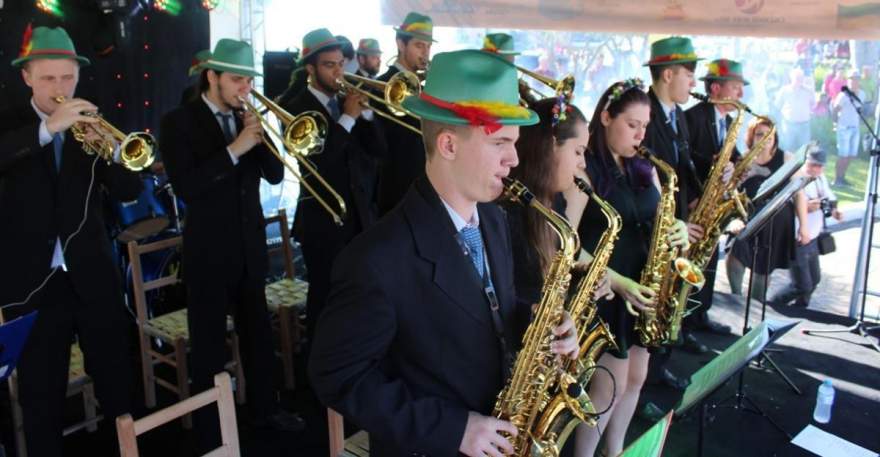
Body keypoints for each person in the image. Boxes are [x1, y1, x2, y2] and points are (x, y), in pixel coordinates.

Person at [309, 49, 579, 456]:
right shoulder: (375, 259)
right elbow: (336, 376)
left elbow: (489, 306)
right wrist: (455, 429)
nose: (515, 159)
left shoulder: (494, 218)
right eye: (501, 143)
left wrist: (540, 324)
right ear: (449, 144)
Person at [0, 25, 140, 455]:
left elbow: (127, 193)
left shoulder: (91, 120)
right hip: (32, 283)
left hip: (93, 273)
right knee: (42, 395)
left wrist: (117, 154)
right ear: (26, 77)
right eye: (48, 79)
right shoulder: (9, 122)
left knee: (118, 379)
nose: (60, 88)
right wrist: (47, 131)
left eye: (67, 78)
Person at [159, 38, 304, 451]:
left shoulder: (247, 117)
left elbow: (275, 177)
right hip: (208, 251)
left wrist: (264, 135)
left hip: (249, 247)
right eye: (237, 79)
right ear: (213, 77)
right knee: (207, 345)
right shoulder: (178, 122)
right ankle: (210, 426)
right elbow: (188, 187)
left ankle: (266, 409)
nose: (245, 87)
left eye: (248, 79)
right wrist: (236, 148)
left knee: (258, 334)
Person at [572, 79, 690, 457]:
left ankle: (616, 449)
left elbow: (661, 216)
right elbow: (568, 243)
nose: (640, 135)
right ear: (606, 117)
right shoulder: (583, 167)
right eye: (631, 125)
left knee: (637, 377)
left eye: (645, 125)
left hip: (643, 290)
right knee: (611, 384)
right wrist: (618, 282)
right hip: (607, 290)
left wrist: (679, 229)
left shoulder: (645, 167)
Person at [281, 28, 387, 347]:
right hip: (321, 221)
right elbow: (318, 166)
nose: (338, 72)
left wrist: (366, 115)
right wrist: (348, 120)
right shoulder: (293, 106)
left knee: (359, 295)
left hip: (358, 216)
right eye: (329, 65)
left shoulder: (346, 102)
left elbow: (380, 152)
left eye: (341, 63)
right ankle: (319, 374)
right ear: (310, 69)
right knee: (325, 300)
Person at [642, 37, 706, 392]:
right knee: (654, 304)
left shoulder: (677, 116)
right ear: (668, 74)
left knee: (669, 302)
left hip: (678, 225)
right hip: (658, 229)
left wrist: (697, 199)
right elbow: (645, 179)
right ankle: (645, 383)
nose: (694, 82)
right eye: (689, 74)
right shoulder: (646, 116)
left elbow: (681, 168)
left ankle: (658, 367)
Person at [683, 58, 749, 335]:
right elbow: (684, 160)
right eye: (735, 87)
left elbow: (731, 158)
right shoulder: (693, 117)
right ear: (716, 89)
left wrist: (736, 167)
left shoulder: (730, 121)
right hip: (694, 204)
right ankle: (685, 322)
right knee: (690, 264)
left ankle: (701, 315)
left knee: (710, 259)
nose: (740, 94)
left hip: (713, 205)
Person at [726, 118, 797, 302]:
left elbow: (799, 193)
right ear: (751, 137)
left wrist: (803, 225)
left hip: (775, 220)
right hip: (748, 216)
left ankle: (755, 306)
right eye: (759, 134)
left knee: (762, 268)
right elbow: (733, 192)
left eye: (769, 136)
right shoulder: (744, 159)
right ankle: (736, 299)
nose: (764, 139)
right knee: (736, 254)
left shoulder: (786, 158)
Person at [376, 11, 434, 214]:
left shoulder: (426, 87)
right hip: (395, 189)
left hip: (423, 184)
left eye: (428, 47)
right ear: (401, 44)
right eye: (419, 45)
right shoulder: (380, 84)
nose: (425, 53)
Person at [769, 148, 843, 308]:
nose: (816, 169)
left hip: (813, 238)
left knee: (814, 280)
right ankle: (773, 305)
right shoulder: (798, 179)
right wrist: (807, 207)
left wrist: (835, 211)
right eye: (813, 164)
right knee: (801, 285)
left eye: (819, 166)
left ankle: (801, 310)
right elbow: (787, 206)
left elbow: (830, 199)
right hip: (798, 239)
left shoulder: (820, 178)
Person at [831, 69, 865, 187]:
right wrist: (835, 123)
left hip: (855, 127)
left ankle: (842, 177)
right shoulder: (843, 95)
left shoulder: (862, 94)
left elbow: (860, 109)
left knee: (851, 155)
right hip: (844, 128)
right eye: (852, 79)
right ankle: (836, 179)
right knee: (843, 154)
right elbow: (835, 110)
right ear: (848, 80)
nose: (854, 81)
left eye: (856, 79)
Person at [775, 67, 815, 152]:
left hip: (804, 125)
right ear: (792, 78)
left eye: (801, 77)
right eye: (797, 77)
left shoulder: (808, 90)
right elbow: (777, 106)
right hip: (789, 124)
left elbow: (813, 104)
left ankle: (801, 165)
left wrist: (811, 88)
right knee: (787, 148)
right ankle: (787, 165)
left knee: (804, 150)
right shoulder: (784, 90)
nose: (800, 80)